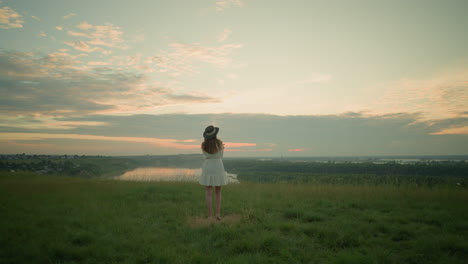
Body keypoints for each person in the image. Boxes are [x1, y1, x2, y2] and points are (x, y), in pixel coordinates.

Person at [199, 125, 228, 220]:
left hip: (208, 166)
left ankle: (210, 215)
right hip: (218, 166)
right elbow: (221, 156)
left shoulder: (203, 145)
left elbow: (204, 156)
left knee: (208, 192)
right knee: (218, 192)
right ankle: (218, 214)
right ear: (215, 134)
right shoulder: (220, 144)